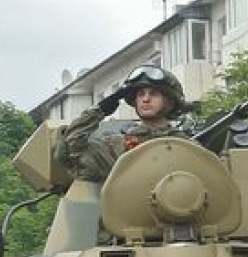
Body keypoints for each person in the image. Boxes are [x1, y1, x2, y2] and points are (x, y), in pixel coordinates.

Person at [61, 64, 196, 182]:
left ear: (170, 102)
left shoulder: (187, 146)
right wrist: (100, 110)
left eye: (154, 94)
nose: (146, 99)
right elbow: (72, 147)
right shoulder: (117, 147)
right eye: (141, 94)